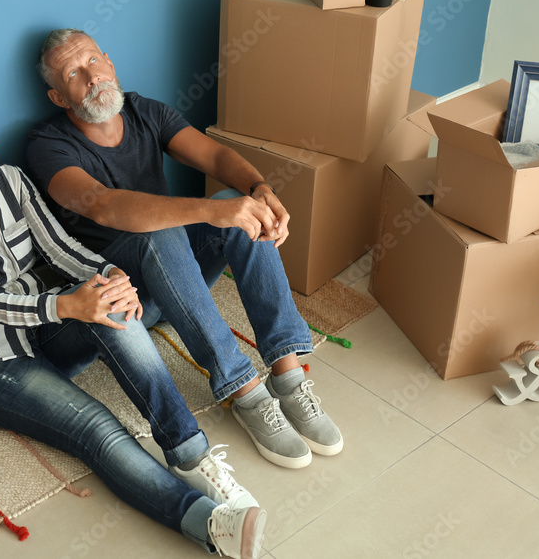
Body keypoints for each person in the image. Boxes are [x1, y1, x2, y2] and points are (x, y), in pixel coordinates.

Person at [0, 96, 266, 558]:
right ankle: (209, 524)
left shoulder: (9, 180)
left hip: (44, 334)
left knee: (109, 305)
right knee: (97, 429)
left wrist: (112, 277)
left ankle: (190, 453)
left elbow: (58, 247)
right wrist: (67, 305)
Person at [26, 30, 344, 470]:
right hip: (126, 304)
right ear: (59, 97)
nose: (92, 76)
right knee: (170, 230)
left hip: (180, 279)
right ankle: (244, 392)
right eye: (74, 74)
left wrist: (259, 189)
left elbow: (215, 158)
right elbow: (102, 205)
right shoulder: (47, 145)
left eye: (94, 61)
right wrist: (211, 212)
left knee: (234, 208)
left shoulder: (144, 110)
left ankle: (288, 375)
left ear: (110, 62)